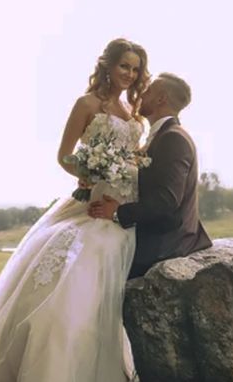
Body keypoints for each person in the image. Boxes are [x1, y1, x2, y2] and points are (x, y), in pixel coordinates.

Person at [0, 38, 150, 382]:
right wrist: (88, 171)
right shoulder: (86, 104)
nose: (129, 74)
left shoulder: (134, 112)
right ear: (108, 66)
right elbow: (64, 156)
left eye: (135, 68)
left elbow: (136, 160)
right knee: (65, 281)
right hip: (89, 205)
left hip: (122, 211)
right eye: (124, 66)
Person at [88, 72, 212, 278]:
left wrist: (118, 213)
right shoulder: (163, 136)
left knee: (92, 261)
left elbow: (166, 202)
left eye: (148, 91)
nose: (141, 95)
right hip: (161, 234)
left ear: (161, 98)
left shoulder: (172, 138)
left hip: (166, 244)